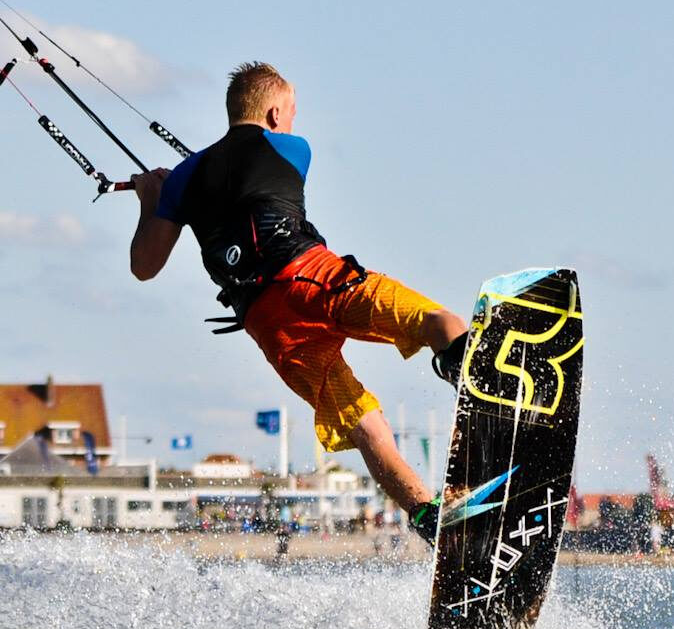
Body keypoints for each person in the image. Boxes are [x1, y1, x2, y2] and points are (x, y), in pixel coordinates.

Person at [129, 62, 467, 544]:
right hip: (314, 277)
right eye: (290, 113)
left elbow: (145, 265)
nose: (293, 124)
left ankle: (427, 517)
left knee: (360, 419)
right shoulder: (292, 147)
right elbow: (247, 174)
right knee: (436, 321)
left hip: (270, 324)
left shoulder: (181, 181)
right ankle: (491, 404)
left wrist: (153, 198)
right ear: (273, 114)